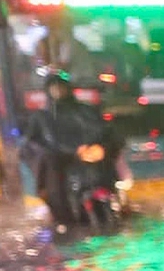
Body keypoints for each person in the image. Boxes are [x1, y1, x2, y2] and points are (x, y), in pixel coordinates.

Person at [24, 72, 121, 228]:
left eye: (61, 87)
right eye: (54, 87)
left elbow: (110, 135)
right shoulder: (41, 118)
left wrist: (102, 149)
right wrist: (69, 154)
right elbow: (31, 148)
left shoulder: (87, 112)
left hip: (95, 172)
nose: (58, 91)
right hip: (61, 181)